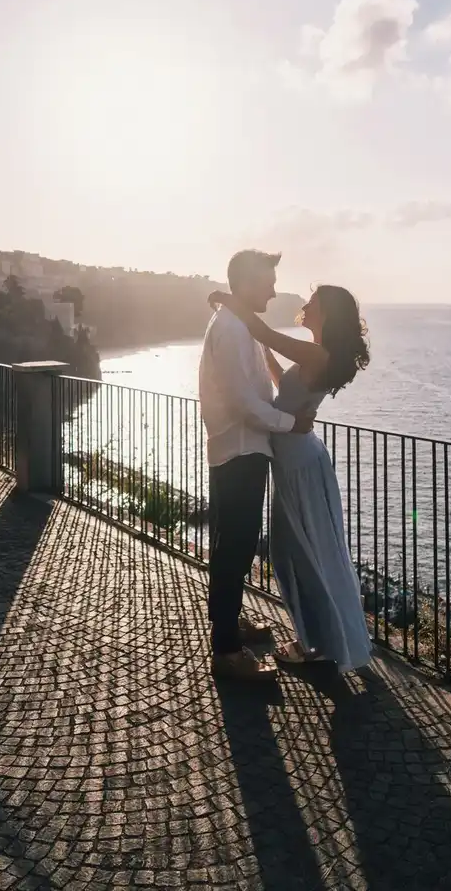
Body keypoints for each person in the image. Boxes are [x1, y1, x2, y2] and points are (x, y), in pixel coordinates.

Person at [207, 283, 373, 675]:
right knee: (299, 552)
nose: (305, 303)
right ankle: (319, 638)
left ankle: (318, 643)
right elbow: (285, 384)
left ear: (327, 312)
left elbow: (263, 332)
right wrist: (261, 352)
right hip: (297, 461)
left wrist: (231, 301)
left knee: (305, 553)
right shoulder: (316, 353)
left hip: (299, 465)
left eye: (313, 301)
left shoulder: (317, 353)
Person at [199, 250, 315, 683]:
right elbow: (243, 402)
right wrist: (291, 423)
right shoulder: (231, 328)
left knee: (231, 543)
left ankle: (228, 623)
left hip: (236, 447)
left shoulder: (237, 324)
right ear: (246, 283)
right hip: (241, 449)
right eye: (268, 282)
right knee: (236, 546)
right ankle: (227, 651)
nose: (273, 290)